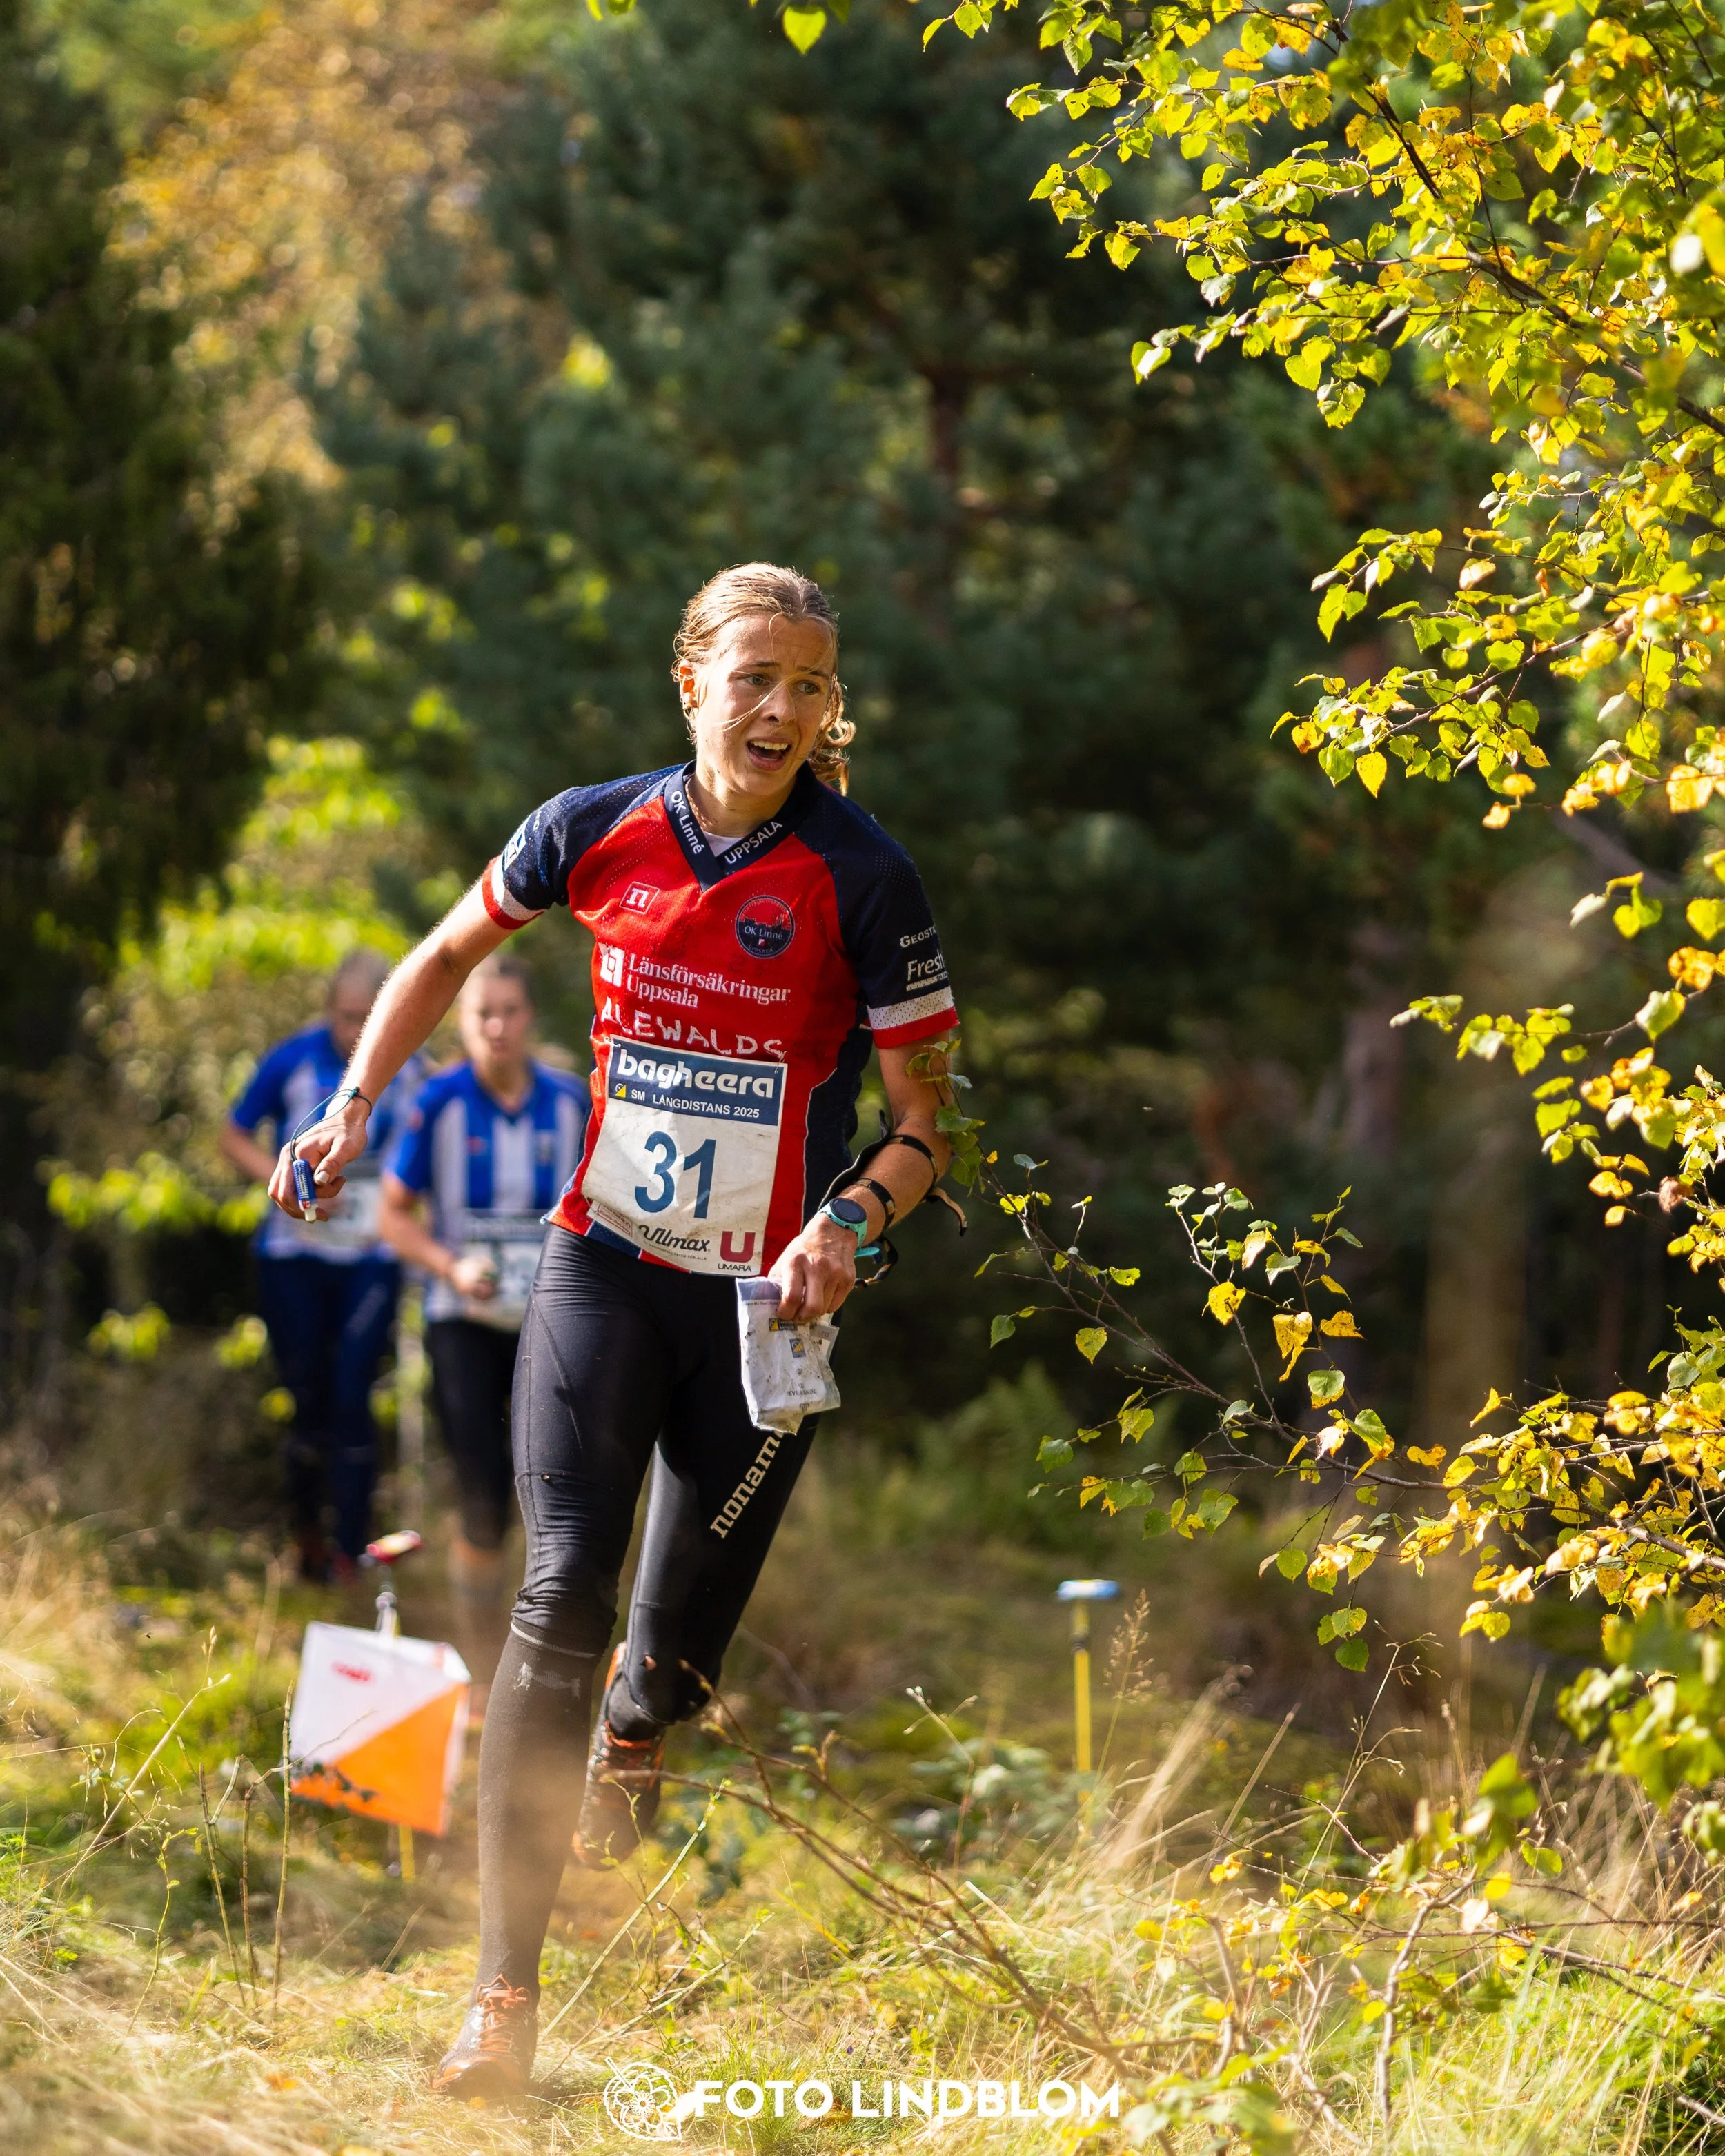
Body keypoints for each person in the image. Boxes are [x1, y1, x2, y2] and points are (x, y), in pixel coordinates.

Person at [266, 562, 959, 2099]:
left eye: (810, 685)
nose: (781, 706)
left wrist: (844, 1224)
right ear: (691, 678)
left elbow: (922, 1117)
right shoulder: (593, 828)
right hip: (598, 1264)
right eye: (755, 675)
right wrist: (351, 1098)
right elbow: (444, 954)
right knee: (558, 1593)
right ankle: (499, 2002)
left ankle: (638, 1730)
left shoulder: (864, 876)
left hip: (757, 1306)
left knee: (664, 1664)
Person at [377, 953, 589, 1674]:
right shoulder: (437, 1102)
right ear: (463, 1023)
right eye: (481, 1013)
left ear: (531, 1017)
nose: (496, 1026)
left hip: (551, 1322)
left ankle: (549, 1658)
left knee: (559, 1490)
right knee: (481, 1489)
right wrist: (450, 1265)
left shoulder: (571, 1102)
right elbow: (393, 1216)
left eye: (510, 1011)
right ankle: (478, 1659)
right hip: (461, 1319)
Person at [220, 949, 424, 1581]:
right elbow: (233, 1134)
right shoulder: (290, 1059)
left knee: (353, 1390)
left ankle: (352, 1551)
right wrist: (279, 1179)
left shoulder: (412, 1069)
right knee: (308, 1396)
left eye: (368, 1019)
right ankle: (306, 1539)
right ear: (326, 1010)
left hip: (370, 1255)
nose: (353, 1031)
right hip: (294, 1255)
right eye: (344, 1016)